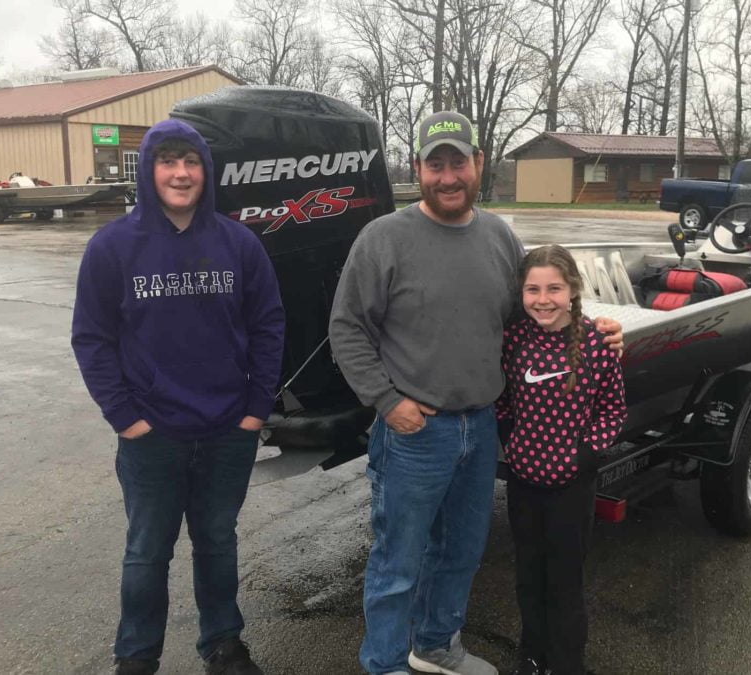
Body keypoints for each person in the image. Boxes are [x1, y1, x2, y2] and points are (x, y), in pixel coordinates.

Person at [328, 111, 623, 675]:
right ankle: (385, 663)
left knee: (461, 553)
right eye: (434, 164)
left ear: (478, 164)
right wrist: (388, 402)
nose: (446, 176)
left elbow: (535, 314)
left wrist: (596, 329)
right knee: (398, 561)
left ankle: (435, 646)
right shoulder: (383, 238)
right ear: (417, 169)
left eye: (457, 162)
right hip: (415, 432)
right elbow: (346, 328)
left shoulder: (499, 238)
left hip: (483, 426)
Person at [71, 119, 284, 675]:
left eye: (190, 161)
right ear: (148, 169)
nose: (181, 172)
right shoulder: (112, 246)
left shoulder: (239, 243)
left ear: (206, 171)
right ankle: (137, 656)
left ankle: (223, 644)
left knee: (217, 542)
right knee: (147, 551)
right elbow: (92, 339)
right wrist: (125, 418)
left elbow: (268, 326)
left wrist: (256, 409)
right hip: (152, 435)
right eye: (168, 160)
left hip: (226, 431)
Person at [495, 245, 627, 675]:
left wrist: (584, 454)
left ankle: (569, 663)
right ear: (521, 292)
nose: (543, 299)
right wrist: (512, 443)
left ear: (572, 289)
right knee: (529, 577)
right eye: (532, 289)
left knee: (565, 581)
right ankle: (531, 657)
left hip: (572, 487)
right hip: (523, 484)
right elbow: (500, 401)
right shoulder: (512, 338)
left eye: (554, 287)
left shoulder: (599, 342)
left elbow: (613, 410)